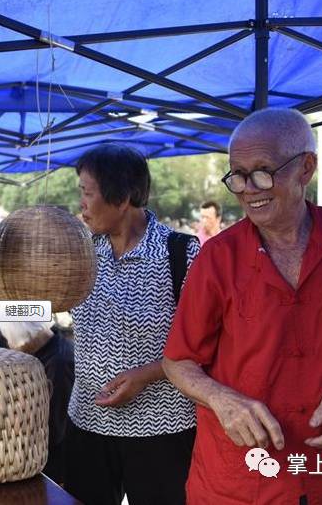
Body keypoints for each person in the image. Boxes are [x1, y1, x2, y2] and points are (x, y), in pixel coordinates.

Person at [163, 108, 322, 504]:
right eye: (236, 175)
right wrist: (221, 400)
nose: (247, 189)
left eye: (262, 171)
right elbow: (178, 361)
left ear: (306, 168)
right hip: (243, 475)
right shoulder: (217, 257)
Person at [64, 144, 199, 505]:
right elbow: (43, 306)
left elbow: (204, 344)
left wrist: (145, 374)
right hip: (88, 422)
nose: (81, 203)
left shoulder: (181, 254)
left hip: (162, 428)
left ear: (122, 198)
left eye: (87, 193)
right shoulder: (81, 251)